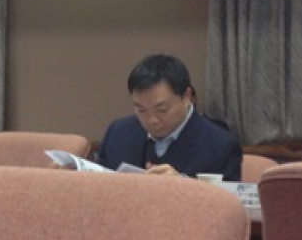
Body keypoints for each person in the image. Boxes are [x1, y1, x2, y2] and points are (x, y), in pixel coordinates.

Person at [97, 53, 242, 180]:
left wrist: (184, 186)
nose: (151, 120)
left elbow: (225, 201)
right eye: (141, 110)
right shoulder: (117, 134)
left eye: (162, 109)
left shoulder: (221, 147)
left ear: (187, 97)